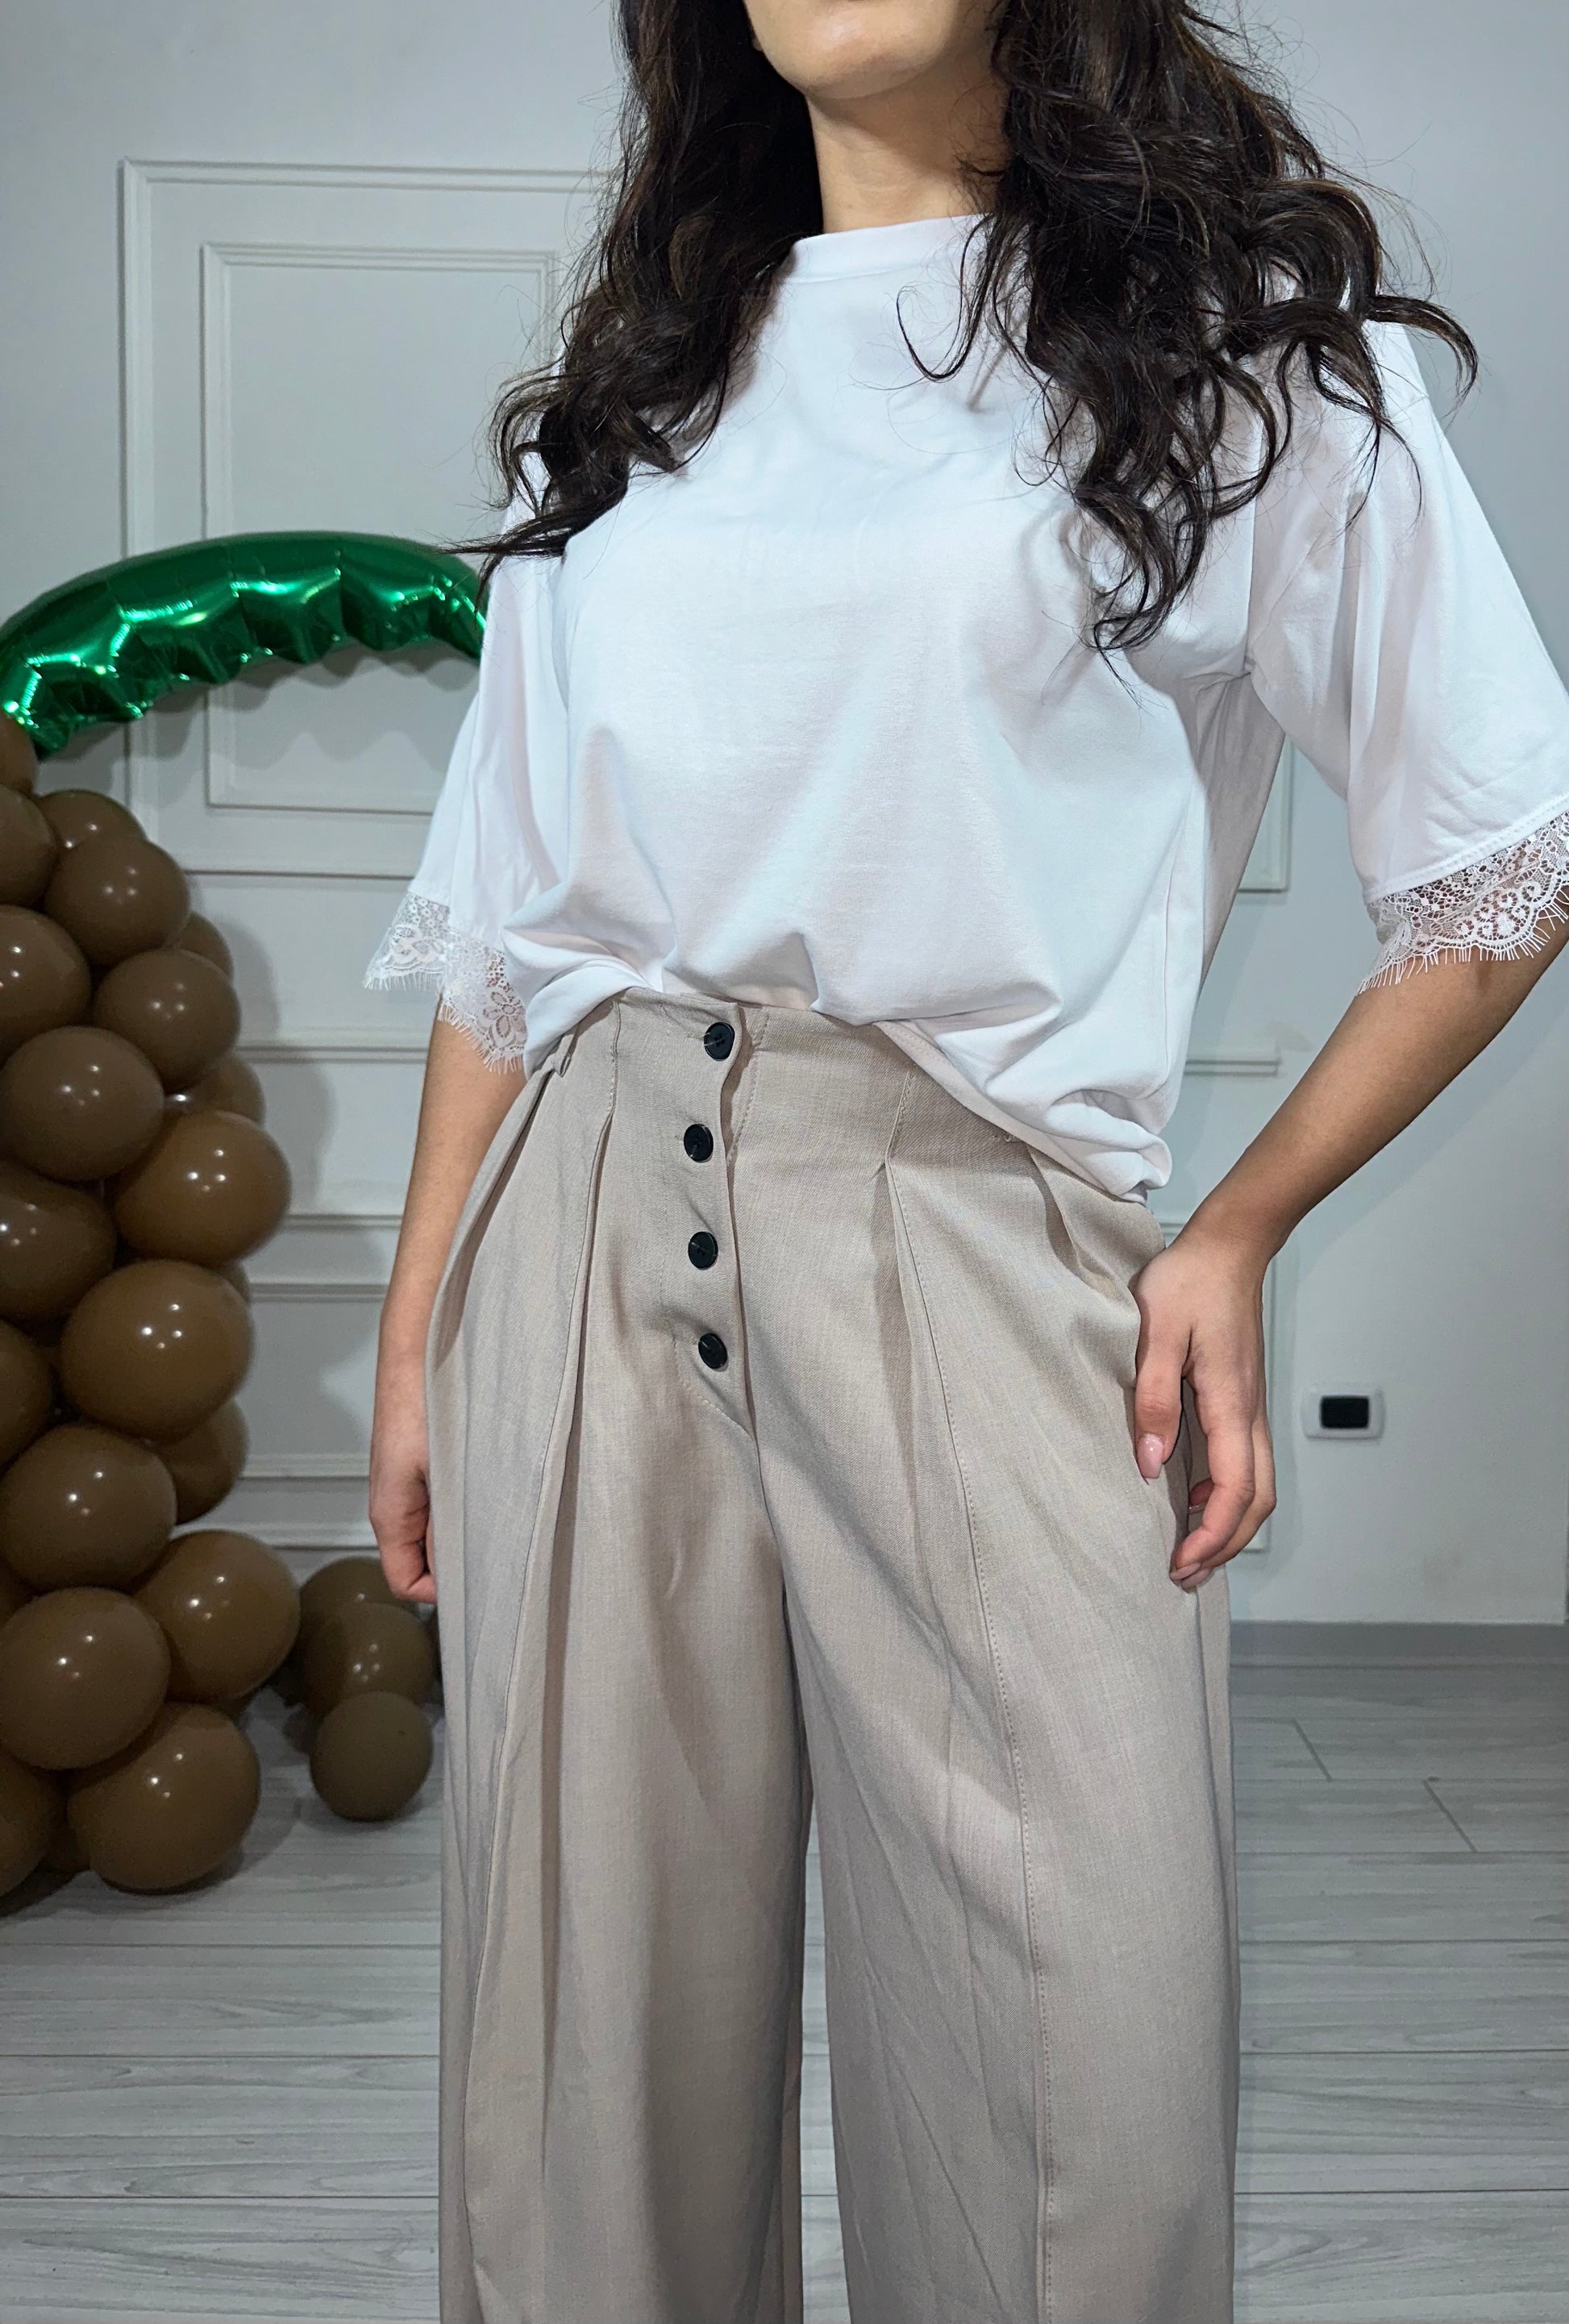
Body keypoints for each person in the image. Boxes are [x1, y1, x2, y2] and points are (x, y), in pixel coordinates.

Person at [364, 4, 1569, 2319]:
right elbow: (505, 927)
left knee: (1075, 2082)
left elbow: (1498, 861)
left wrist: (1235, 1229)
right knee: (577, 2058)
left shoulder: (1236, 356)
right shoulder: (654, 387)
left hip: (972, 1216)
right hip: (580, 1226)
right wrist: (422, 1328)